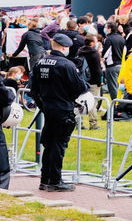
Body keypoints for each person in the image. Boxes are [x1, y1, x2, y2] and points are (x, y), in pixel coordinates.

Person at [30, 33, 88, 191]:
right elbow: (80, 88)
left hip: (48, 109)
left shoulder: (40, 63)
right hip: (63, 109)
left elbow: (33, 90)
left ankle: (45, 179)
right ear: (64, 47)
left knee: (48, 144)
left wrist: (43, 106)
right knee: (58, 145)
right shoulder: (66, 65)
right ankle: (55, 181)